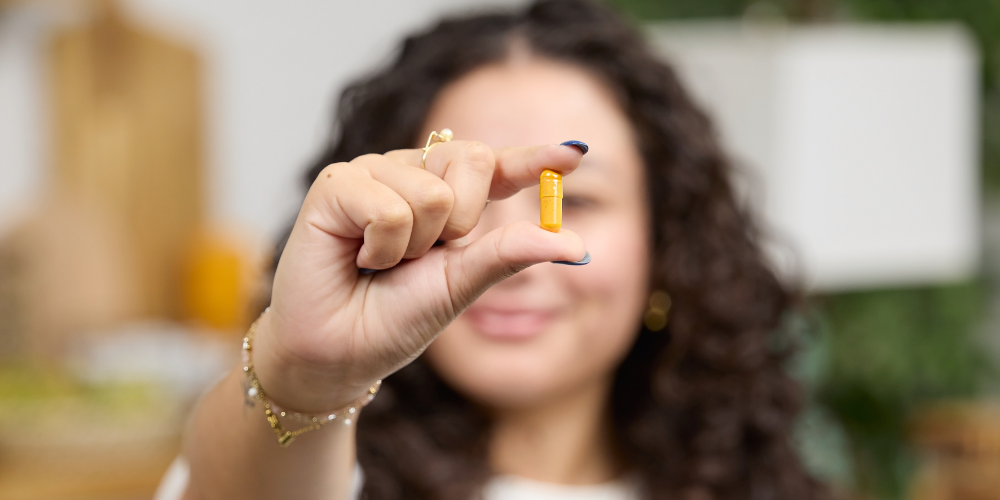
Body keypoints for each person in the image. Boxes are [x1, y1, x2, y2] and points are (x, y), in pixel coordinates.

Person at [168, 1, 827, 499]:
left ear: (668, 246)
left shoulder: (759, 480)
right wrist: (309, 378)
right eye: (463, 200)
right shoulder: (302, 463)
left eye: (580, 201)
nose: (513, 254)